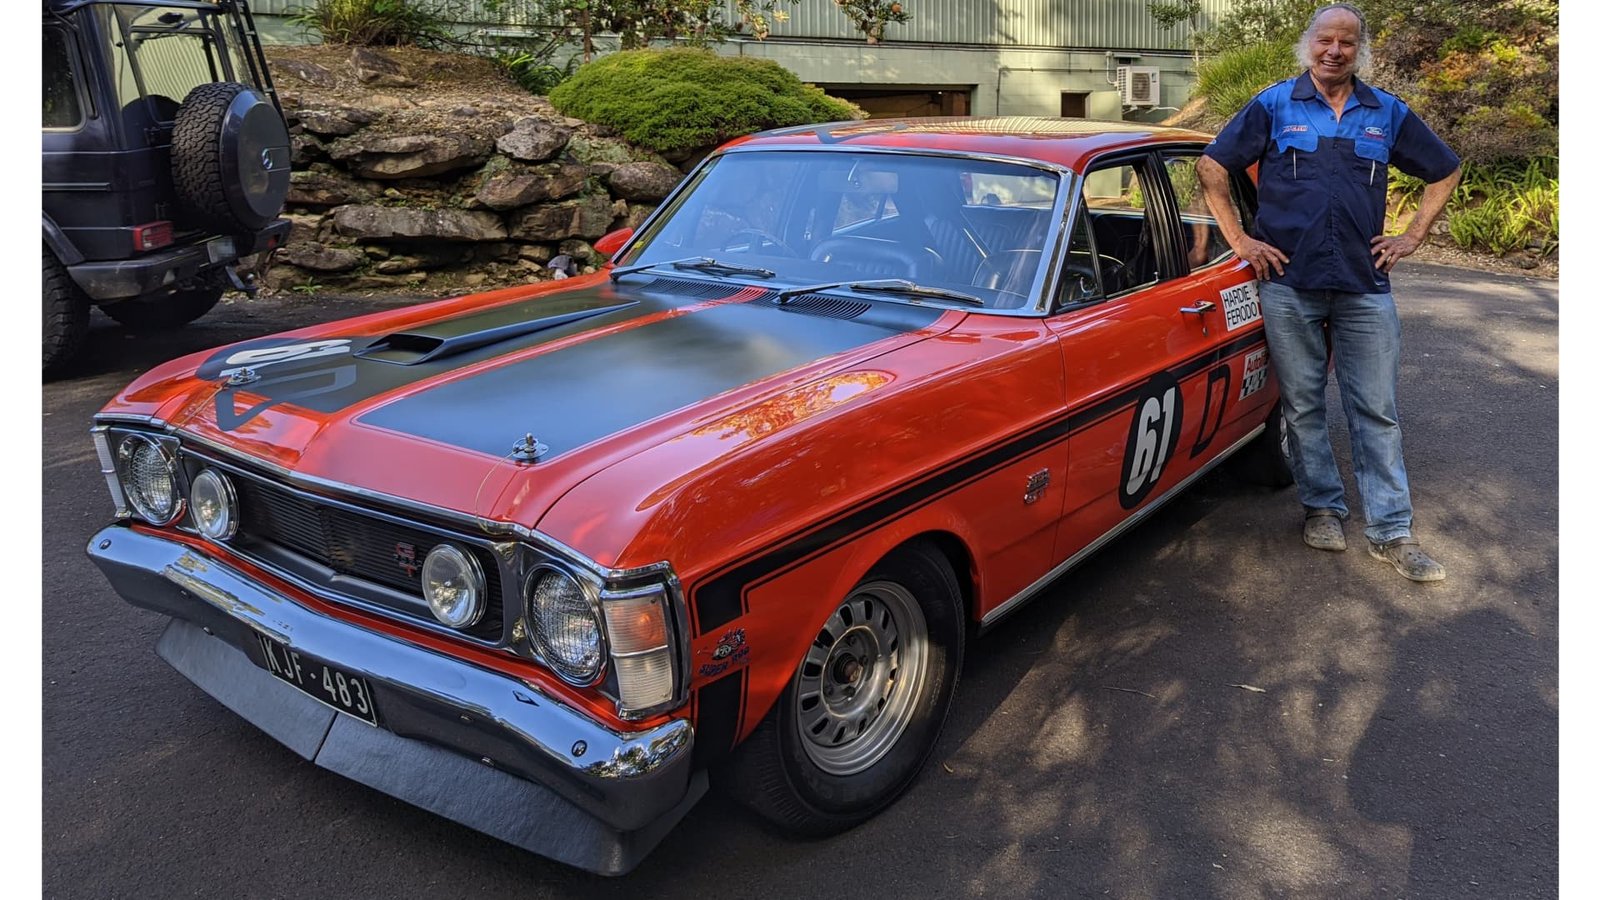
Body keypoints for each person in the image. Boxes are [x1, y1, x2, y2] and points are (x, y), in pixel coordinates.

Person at [1196, 3, 1461, 582]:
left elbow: (1444, 168)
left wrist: (1414, 234)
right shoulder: (1273, 105)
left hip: (1365, 286)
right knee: (1304, 405)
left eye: (1346, 41)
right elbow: (1213, 166)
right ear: (1307, 44)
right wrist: (1240, 240)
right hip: (1288, 285)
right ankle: (1322, 508)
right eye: (1325, 39)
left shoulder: (1385, 112)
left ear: (1358, 50)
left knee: (1376, 411)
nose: (1333, 50)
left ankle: (1392, 531)